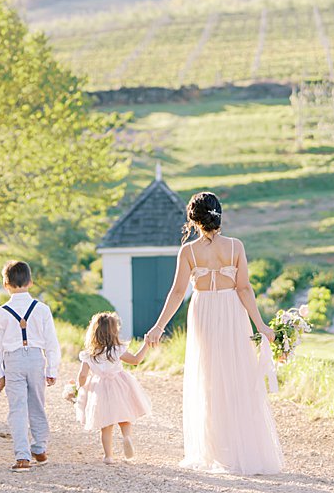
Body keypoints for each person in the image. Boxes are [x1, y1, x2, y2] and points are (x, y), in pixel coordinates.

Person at [144, 191, 284, 475]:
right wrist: (261, 325)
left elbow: (178, 292)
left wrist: (159, 326)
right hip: (233, 312)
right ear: (219, 215)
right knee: (237, 375)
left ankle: (216, 449)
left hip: (204, 313)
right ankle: (241, 449)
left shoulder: (189, 252)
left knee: (209, 379)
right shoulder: (235, 247)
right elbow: (244, 288)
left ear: (193, 220)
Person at [0, 260, 60, 472]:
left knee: (17, 409)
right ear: (30, 282)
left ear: (5, 284)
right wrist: (52, 369)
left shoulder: (0, 313)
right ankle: (39, 447)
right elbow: (51, 342)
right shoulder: (42, 309)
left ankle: (22, 456)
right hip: (37, 360)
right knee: (37, 405)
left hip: (13, 361)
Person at [72, 311, 154, 464]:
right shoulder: (117, 350)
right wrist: (146, 345)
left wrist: (78, 387)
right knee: (125, 416)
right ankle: (127, 437)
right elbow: (136, 360)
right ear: (114, 331)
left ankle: (108, 456)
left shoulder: (89, 354)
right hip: (119, 385)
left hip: (99, 390)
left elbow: (82, 375)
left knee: (106, 423)